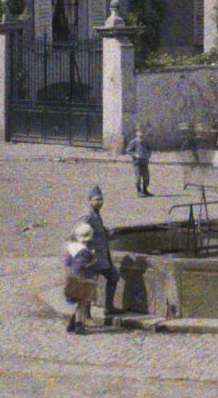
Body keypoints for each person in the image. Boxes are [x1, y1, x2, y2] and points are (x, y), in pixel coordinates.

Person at [83, 184, 119, 317]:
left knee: (114, 276)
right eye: (97, 200)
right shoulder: (87, 215)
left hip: (101, 257)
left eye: (101, 199)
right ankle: (85, 315)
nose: (100, 202)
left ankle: (108, 307)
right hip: (93, 258)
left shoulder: (95, 214)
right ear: (90, 200)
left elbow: (96, 229)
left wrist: (105, 231)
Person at [62, 224, 99, 334]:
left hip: (71, 277)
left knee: (77, 301)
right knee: (82, 302)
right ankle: (79, 325)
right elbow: (81, 265)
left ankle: (71, 324)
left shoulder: (71, 247)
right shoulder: (84, 251)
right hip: (81, 278)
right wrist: (92, 261)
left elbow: (67, 263)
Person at [125, 126, 153, 198]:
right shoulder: (133, 142)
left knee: (146, 176)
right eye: (139, 132)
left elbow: (149, 149)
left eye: (143, 132)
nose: (141, 134)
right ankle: (139, 191)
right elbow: (128, 150)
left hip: (144, 161)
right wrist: (134, 155)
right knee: (138, 177)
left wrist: (148, 155)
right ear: (136, 133)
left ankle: (145, 190)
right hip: (137, 162)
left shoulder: (146, 141)